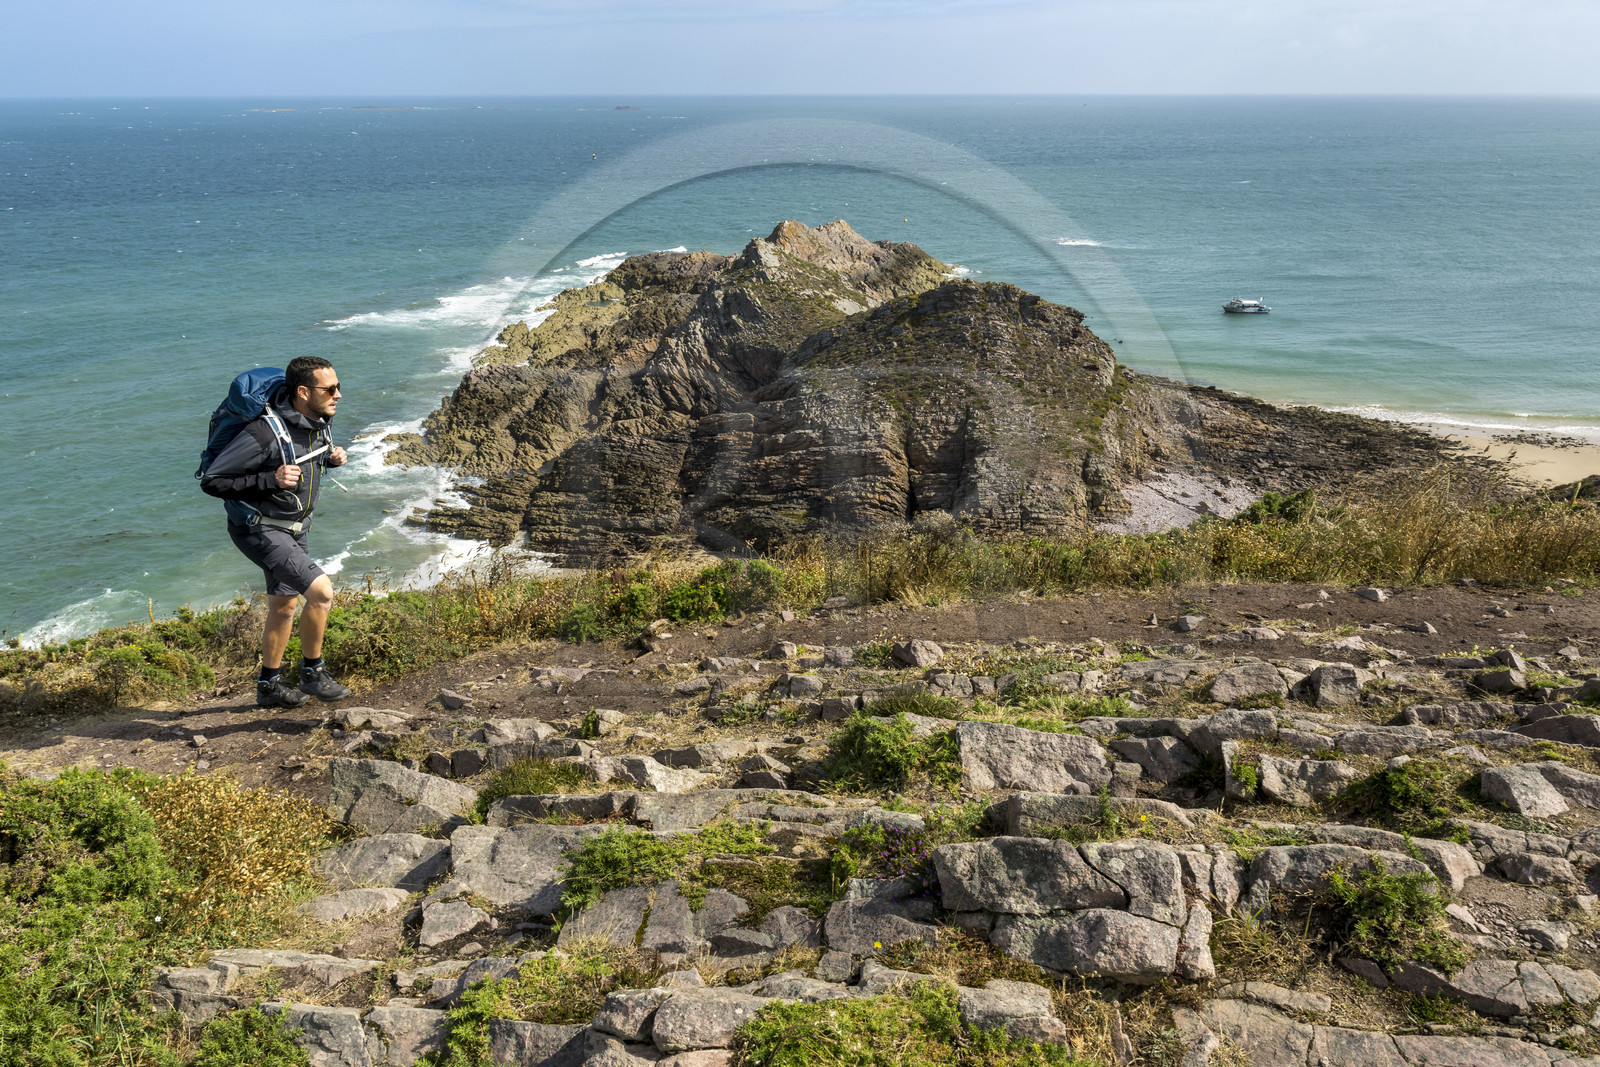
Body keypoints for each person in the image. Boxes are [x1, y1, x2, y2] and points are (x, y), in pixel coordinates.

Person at [201, 356, 352, 707]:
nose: (338, 395)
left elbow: (299, 459)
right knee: (322, 592)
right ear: (302, 391)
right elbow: (213, 481)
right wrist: (270, 479)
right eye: (330, 389)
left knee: (284, 606)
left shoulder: (317, 421)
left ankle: (268, 687)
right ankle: (312, 672)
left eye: (338, 387)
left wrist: (328, 459)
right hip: (259, 529)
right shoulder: (262, 433)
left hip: (293, 527)